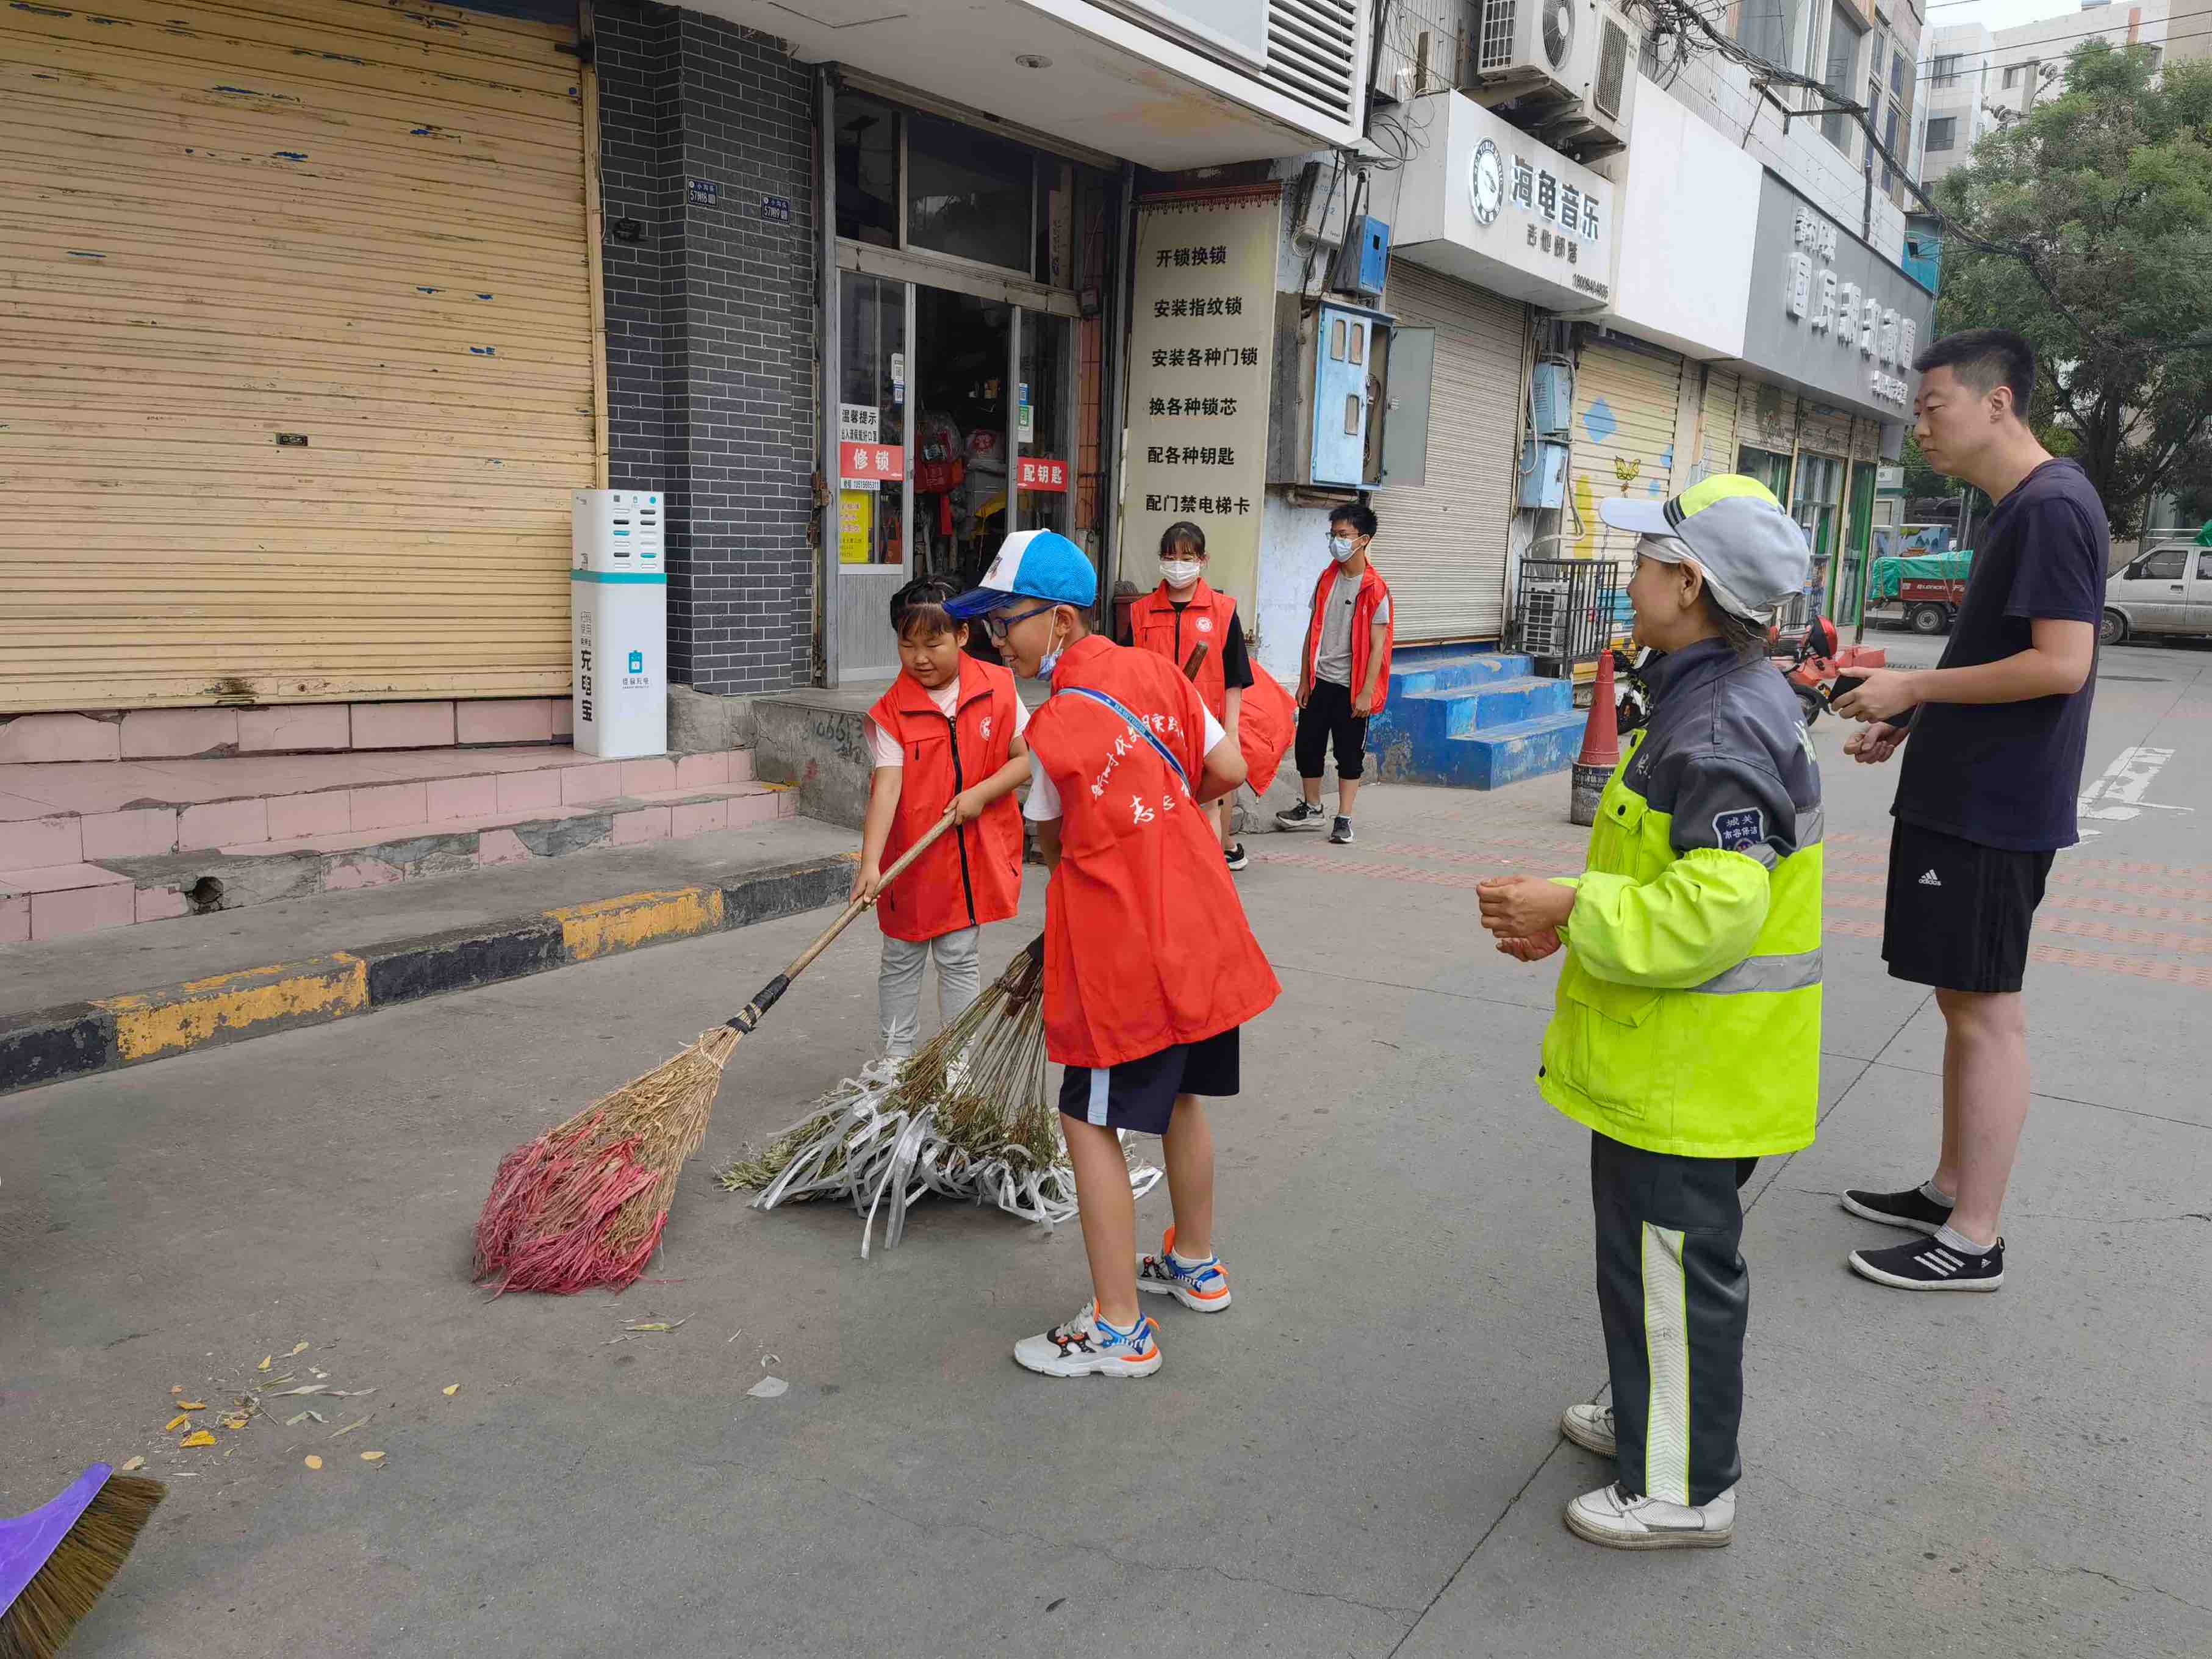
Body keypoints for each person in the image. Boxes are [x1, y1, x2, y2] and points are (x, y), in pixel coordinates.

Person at [1476, 477, 1822, 1551]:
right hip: (1672, 1054)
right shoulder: (1704, 690)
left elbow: (1720, 903)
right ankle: (1648, 1416)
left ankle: (1684, 1483)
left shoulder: (1716, 715)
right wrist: (1573, 925)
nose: (1628, 578)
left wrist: (1575, 904)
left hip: (1693, 1064)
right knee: (1644, 1257)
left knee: (1673, 1265)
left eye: (1643, 562)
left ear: (1691, 583)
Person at [945, 530, 1280, 1380]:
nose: (995, 641)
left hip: (1126, 949)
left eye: (1005, 623)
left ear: (1058, 621)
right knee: (1183, 1098)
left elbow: (1053, 847)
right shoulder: (1161, 671)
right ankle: (1196, 1263)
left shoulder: (1055, 724)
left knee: (1087, 1115)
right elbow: (1228, 765)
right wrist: (1163, 811)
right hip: (1200, 921)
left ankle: (1119, 1325)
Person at [1831, 328, 2104, 1293]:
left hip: (1996, 807)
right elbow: (1999, 655)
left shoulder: (2052, 508)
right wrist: (1914, 716)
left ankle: (1975, 1235)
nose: (1920, 428)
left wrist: (1909, 690)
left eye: (1931, 405)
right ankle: (1950, 1185)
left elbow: (2059, 662)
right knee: (1961, 999)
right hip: (1965, 794)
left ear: (1998, 403)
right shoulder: (2015, 508)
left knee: (1986, 1010)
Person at [852, 576, 1029, 1062]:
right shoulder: (892, 710)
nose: (919, 658)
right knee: (902, 959)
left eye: (933, 643)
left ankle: (958, 1066)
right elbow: (886, 788)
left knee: (958, 959)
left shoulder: (1000, 688)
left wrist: (980, 794)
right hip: (910, 862)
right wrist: (870, 864)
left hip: (970, 860)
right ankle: (895, 1065)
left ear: (963, 636)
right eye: (907, 645)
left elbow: (1025, 757)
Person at [1126, 522, 1255, 870]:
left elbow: (1235, 677)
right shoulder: (1141, 613)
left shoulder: (1223, 611)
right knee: (1156, 794)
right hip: (1153, 725)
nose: (1177, 565)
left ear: (1203, 559)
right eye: (1169, 557)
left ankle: (1210, 867)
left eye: (1186, 557)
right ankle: (1161, 866)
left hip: (1206, 725)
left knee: (1210, 800)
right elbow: (1127, 672)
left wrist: (1230, 731)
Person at [1277, 503, 1393, 845]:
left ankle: (1344, 818)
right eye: (1333, 535)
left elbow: (1378, 649)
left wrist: (1366, 692)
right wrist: (1303, 680)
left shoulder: (1375, 589)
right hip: (1319, 682)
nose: (1336, 542)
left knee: (1348, 754)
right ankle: (1313, 808)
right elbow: (1312, 631)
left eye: (1343, 535)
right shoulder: (1327, 578)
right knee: (1308, 747)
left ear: (1364, 540)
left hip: (1352, 687)